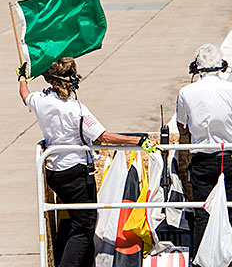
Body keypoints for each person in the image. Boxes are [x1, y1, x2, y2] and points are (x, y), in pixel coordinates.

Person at [17, 57, 161, 267]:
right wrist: (139, 141)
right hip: (76, 173)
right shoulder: (77, 109)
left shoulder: (41, 100)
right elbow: (104, 137)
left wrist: (22, 77)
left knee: (79, 222)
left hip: (54, 172)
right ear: (72, 81)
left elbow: (25, 95)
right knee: (84, 227)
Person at [176, 44, 232, 267]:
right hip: (231, 158)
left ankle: (201, 260)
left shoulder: (186, 92)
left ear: (196, 67)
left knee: (203, 213)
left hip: (202, 160)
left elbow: (182, 128)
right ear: (222, 66)